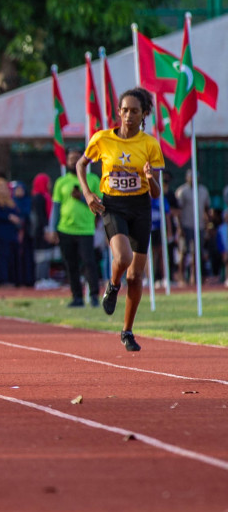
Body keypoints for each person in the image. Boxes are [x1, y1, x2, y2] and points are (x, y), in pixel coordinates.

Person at [80, 87, 165, 352]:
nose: (128, 116)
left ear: (144, 115)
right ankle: (113, 285)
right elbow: (81, 164)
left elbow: (156, 192)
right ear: (118, 112)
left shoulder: (150, 145)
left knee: (137, 276)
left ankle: (127, 331)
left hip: (140, 206)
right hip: (112, 204)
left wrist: (150, 178)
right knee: (124, 258)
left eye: (135, 111)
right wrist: (87, 193)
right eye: (125, 110)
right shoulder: (103, 139)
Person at [48, 149, 102, 307]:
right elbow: (56, 207)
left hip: (85, 229)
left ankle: (93, 296)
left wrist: (82, 199)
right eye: (70, 159)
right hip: (65, 229)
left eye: (76, 158)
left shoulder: (92, 179)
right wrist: (52, 229)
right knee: (70, 265)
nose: (72, 161)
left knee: (89, 263)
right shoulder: (61, 182)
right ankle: (77, 297)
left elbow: (99, 204)